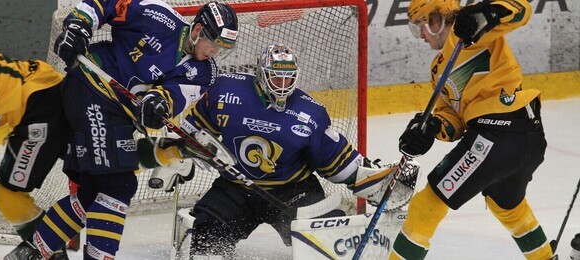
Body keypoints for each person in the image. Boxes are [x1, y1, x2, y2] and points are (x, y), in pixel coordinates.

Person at [135, 44, 420, 259]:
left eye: (288, 78)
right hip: (235, 189)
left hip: (293, 190)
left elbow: (337, 162)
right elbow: (192, 131)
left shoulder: (311, 113)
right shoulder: (224, 92)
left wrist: (376, 180)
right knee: (204, 248)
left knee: (326, 251)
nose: (282, 85)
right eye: (276, 77)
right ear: (261, 73)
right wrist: (179, 155)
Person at [5, 0, 239, 259]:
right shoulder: (157, 15)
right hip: (90, 86)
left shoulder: (204, 71)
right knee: (120, 183)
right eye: (214, 45)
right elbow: (107, 4)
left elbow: (173, 97)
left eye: (223, 49)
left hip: (118, 115)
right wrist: (78, 26)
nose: (216, 53)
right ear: (197, 32)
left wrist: (157, 103)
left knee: (94, 191)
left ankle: (32, 252)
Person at [390, 0, 553, 259]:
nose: (419, 34)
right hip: (521, 136)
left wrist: (487, 12)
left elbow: (522, 10)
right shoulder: (437, 70)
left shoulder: (474, 25)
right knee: (507, 206)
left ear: (437, 18)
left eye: (420, 24)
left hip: (500, 131)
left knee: (426, 205)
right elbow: (453, 120)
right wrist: (430, 127)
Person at [0, 50, 71, 259]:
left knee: (9, 197)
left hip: (38, 109)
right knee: (102, 162)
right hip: (47, 88)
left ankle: (50, 252)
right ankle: (162, 151)